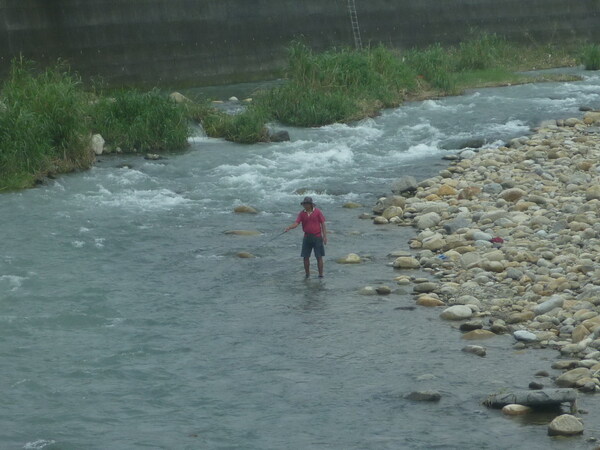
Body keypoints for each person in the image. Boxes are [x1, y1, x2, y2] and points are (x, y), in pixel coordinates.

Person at [284, 196, 327, 278]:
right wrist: (289, 227)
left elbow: (323, 224)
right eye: (304, 204)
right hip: (307, 237)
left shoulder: (317, 212)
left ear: (311, 205)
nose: (305, 206)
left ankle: (321, 274)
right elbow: (296, 223)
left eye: (307, 204)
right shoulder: (302, 213)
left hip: (317, 236)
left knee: (319, 256)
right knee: (305, 257)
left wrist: (325, 237)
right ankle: (307, 274)